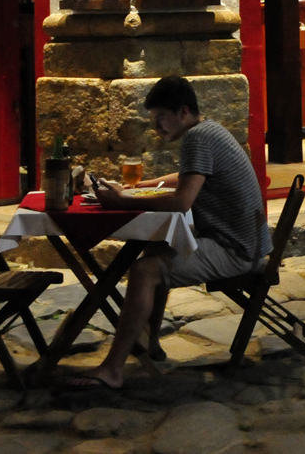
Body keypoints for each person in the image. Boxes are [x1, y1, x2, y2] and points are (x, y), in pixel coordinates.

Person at [68, 76, 270, 391]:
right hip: (247, 241)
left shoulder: (197, 138)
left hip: (238, 251)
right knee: (155, 249)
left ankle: (112, 369)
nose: (157, 127)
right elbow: (187, 176)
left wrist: (121, 202)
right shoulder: (209, 130)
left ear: (183, 112)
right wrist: (138, 187)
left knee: (145, 271)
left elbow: (182, 201)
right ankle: (148, 343)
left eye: (161, 118)